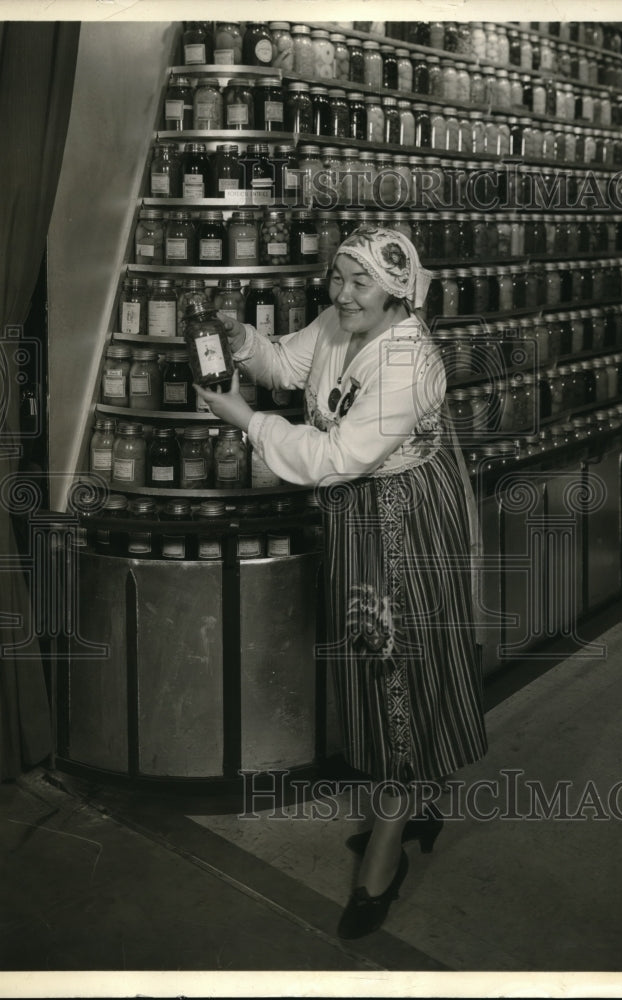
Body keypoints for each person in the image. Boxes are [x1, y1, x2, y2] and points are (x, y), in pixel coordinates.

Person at [195, 227, 488, 938]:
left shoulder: (411, 360)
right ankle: (417, 797)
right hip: (360, 516)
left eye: (360, 281)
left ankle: (386, 855)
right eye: (337, 276)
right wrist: (241, 341)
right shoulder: (336, 323)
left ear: (397, 288)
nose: (342, 292)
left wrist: (247, 421)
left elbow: (336, 455)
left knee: (399, 663)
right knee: (372, 656)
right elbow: (286, 365)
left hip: (410, 519)